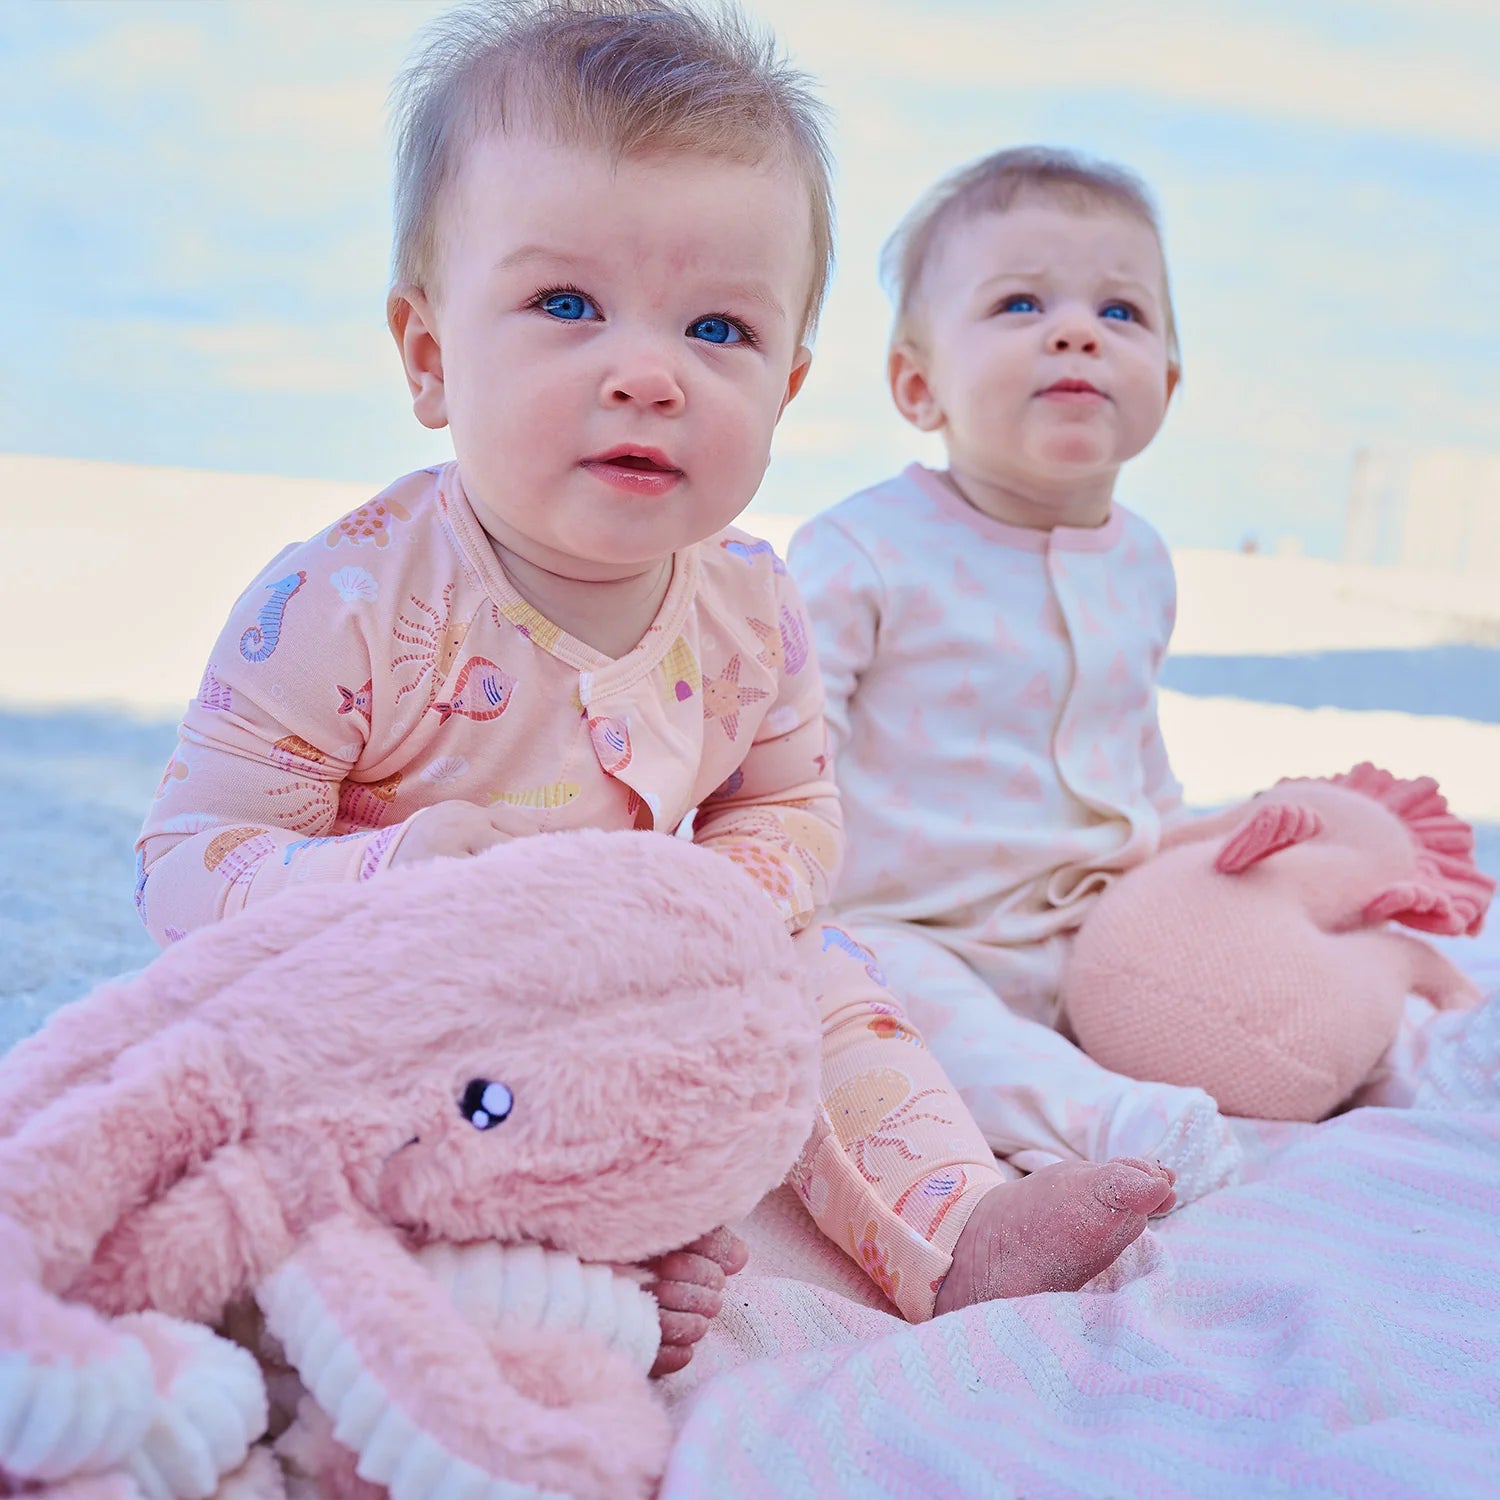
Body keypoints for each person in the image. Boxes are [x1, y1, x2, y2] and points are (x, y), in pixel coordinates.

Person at [136, 8, 1174, 1361]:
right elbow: (187, 862)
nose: (647, 375)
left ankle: (955, 1226)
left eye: (717, 328)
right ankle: (536, 1282)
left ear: (787, 387)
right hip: (398, 991)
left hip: (632, 980)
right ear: (431, 356)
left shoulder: (751, 606)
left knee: (827, 975)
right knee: (287, 1116)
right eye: (566, 306)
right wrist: (384, 881)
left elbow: (790, 803)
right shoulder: (341, 604)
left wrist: (730, 896)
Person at [789, 146, 1243, 1202]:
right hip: (913, 926)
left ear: (1168, 383)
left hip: (1094, 923)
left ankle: (1412, 1049)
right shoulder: (865, 550)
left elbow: (1138, 763)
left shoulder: (1141, 561)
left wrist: (1203, 859)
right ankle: (1108, 1123)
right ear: (919, 385)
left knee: (1249, 955)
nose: (1078, 331)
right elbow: (787, 753)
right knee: (873, 1000)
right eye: (1020, 303)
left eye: (1122, 312)